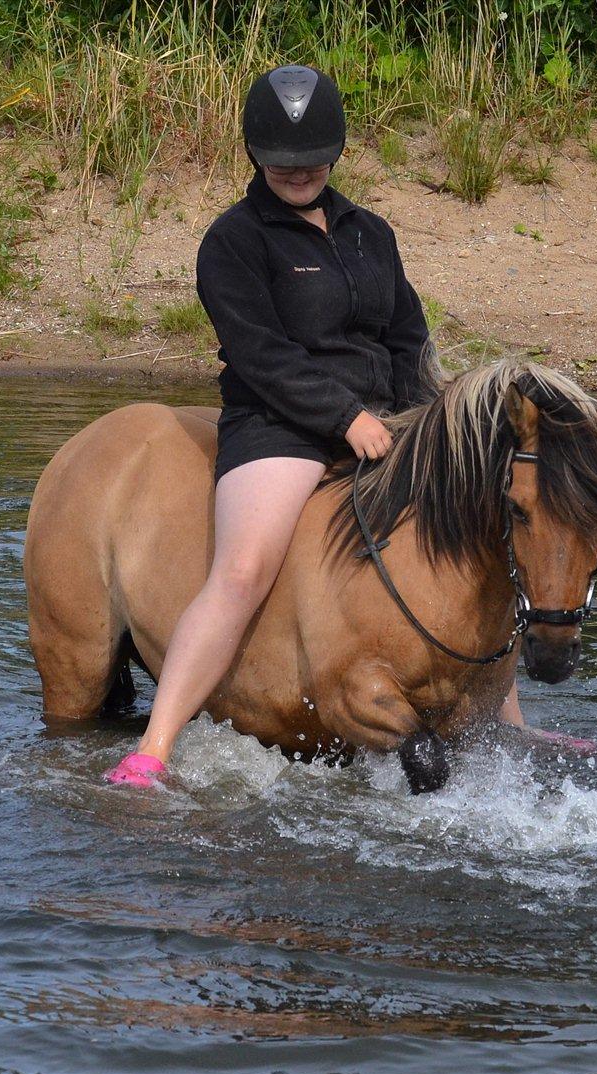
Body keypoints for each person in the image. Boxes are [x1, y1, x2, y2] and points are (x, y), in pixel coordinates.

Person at [107, 66, 525, 786]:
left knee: (475, 538)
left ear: (335, 152)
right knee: (242, 571)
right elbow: (258, 352)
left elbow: (405, 334)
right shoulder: (233, 242)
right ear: (254, 154)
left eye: (310, 159)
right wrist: (344, 418)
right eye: (281, 160)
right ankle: (155, 745)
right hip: (279, 428)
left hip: (386, 426)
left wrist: (420, 421)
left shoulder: (371, 234)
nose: (297, 172)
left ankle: (515, 729)